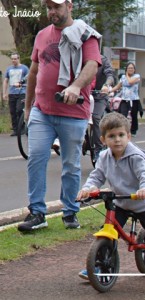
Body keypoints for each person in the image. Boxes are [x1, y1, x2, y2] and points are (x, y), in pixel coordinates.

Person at [17, 0, 101, 232]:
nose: (52, 11)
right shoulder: (42, 35)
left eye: (57, 7)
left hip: (73, 114)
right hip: (42, 111)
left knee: (70, 165)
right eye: (49, 8)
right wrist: (27, 107)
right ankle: (37, 213)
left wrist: (75, 87)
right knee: (36, 159)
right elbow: (34, 71)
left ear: (69, 6)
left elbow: (92, 65)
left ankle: (70, 212)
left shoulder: (85, 35)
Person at [76, 112, 145, 279]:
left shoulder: (135, 156)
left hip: (144, 204)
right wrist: (87, 189)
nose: (117, 140)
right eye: (112, 136)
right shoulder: (103, 157)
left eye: (121, 135)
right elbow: (97, 176)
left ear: (128, 136)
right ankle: (98, 266)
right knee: (108, 232)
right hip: (121, 203)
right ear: (103, 140)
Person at [91, 55, 115, 160]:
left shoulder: (103, 60)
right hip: (84, 95)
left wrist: (106, 85)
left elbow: (110, 75)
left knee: (96, 117)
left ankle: (98, 149)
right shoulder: (81, 57)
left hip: (99, 96)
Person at [110, 62, 141, 137]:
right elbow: (118, 86)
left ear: (134, 70)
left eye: (132, 68)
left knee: (134, 116)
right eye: (129, 68)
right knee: (123, 115)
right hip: (124, 99)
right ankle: (123, 129)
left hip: (134, 99)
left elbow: (130, 82)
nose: (130, 69)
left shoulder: (137, 76)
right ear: (126, 69)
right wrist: (109, 91)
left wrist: (126, 74)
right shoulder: (123, 77)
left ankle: (133, 130)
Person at [3, 53, 29, 136]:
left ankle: (22, 128)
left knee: (19, 110)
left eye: (15, 59)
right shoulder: (9, 69)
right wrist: (4, 93)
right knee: (12, 111)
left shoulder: (24, 68)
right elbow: (6, 81)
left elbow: (29, 79)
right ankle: (15, 129)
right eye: (12, 59)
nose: (13, 60)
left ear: (18, 59)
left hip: (22, 92)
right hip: (12, 93)